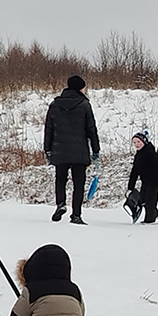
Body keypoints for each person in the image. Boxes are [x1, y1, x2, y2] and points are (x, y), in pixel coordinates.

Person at [43, 75, 100, 225]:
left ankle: (60, 204)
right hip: (79, 151)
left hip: (59, 150)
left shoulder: (54, 105)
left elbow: (48, 129)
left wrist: (47, 149)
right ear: (80, 88)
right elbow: (91, 130)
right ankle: (76, 214)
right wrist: (95, 149)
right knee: (78, 183)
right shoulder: (84, 105)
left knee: (60, 179)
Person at [127, 130, 158, 223]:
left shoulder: (150, 153)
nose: (136, 144)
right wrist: (131, 186)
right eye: (134, 142)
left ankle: (150, 220)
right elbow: (135, 170)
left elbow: (157, 168)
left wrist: (155, 181)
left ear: (144, 141)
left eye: (138, 142)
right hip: (146, 180)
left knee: (150, 200)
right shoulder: (139, 154)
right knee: (142, 199)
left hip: (155, 180)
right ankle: (155, 213)